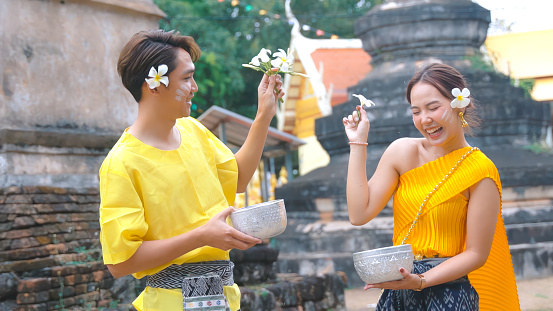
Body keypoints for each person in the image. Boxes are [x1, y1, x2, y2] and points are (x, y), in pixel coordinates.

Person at [98, 29, 284, 311]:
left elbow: (239, 178)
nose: (195, 86)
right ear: (155, 84)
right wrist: (201, 236)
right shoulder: (121, 163)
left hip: (224, 299)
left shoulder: (193, 130)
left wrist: (263, 115)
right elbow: (120, 262)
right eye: (186, 78)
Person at [343, 63, 520, 310]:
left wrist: (421, 281)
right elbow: (359, 214)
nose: (425, 120)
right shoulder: (402, 152)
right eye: (416, 111)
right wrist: (358, 143)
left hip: (450, 294)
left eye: (433, 108)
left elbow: (477, 253)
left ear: (460, 104)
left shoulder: (480, 170)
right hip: (399, 290)